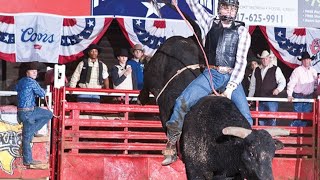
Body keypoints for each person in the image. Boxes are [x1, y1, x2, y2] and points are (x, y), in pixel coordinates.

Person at [162, 0, 253, 166]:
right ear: (219, 8)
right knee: (182, 101)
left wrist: (230, 89)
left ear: (236, 11)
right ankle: (171, 146)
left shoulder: (243, 32)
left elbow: (241, 64)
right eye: (226, 6)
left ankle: (247, 156)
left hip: (232, 77)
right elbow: (194, 5)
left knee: (246, 117)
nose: (229, 11)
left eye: (232, 8)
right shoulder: (209, 21)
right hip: (211, 73)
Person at [16, 61, 53, 166]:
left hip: (21, 113)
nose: (35, 73)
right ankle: (33, 131)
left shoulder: (21, 81)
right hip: (29, 112)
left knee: (27, 137)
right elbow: (41, 93)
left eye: (36, 72)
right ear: (27, 73)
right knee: (48, 114)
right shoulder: (32, 82)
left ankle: (28, 160)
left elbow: (17, 89)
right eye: (33, 71)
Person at [248, 50, 286, 126]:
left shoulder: (276, 69)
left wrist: (278, 89)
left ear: (269, 59)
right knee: (261, 121)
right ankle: (264, 137)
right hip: (259, 100)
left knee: (271, 120)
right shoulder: (256, 70)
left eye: (266, 58)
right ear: (261, 60)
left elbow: (282, 81)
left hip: (271, 99)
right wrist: (250, 98)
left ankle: (271, 137)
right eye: (263, 59)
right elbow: (252, 86)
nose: (264, 60)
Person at [287, 51, 317, 127]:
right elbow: (291, 83)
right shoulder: (297, 71)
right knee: (298, 116)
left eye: (308, 59)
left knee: (306, 116)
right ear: (302, 61)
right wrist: (289, 95)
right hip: (298, 96)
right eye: (305, 60)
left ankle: (302, 134)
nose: (307, 61)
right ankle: (294, 133)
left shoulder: (313, 71)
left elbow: (316, 85)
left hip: (309, 96)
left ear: (310, 60)